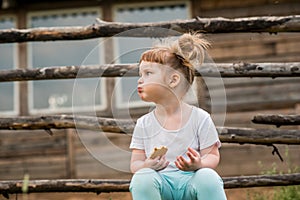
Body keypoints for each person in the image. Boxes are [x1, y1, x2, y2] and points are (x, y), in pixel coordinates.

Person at [129, 33, 227, 200]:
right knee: (141, 178)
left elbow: (212, 155)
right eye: (140, 74)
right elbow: (135, 164)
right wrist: (146, 165)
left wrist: (199, 164)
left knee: (208, 177)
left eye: (148, 73)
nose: (140, 80)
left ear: (173, 80)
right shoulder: (144, 124)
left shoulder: (200, 118)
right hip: (161, 187)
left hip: (191, 184)